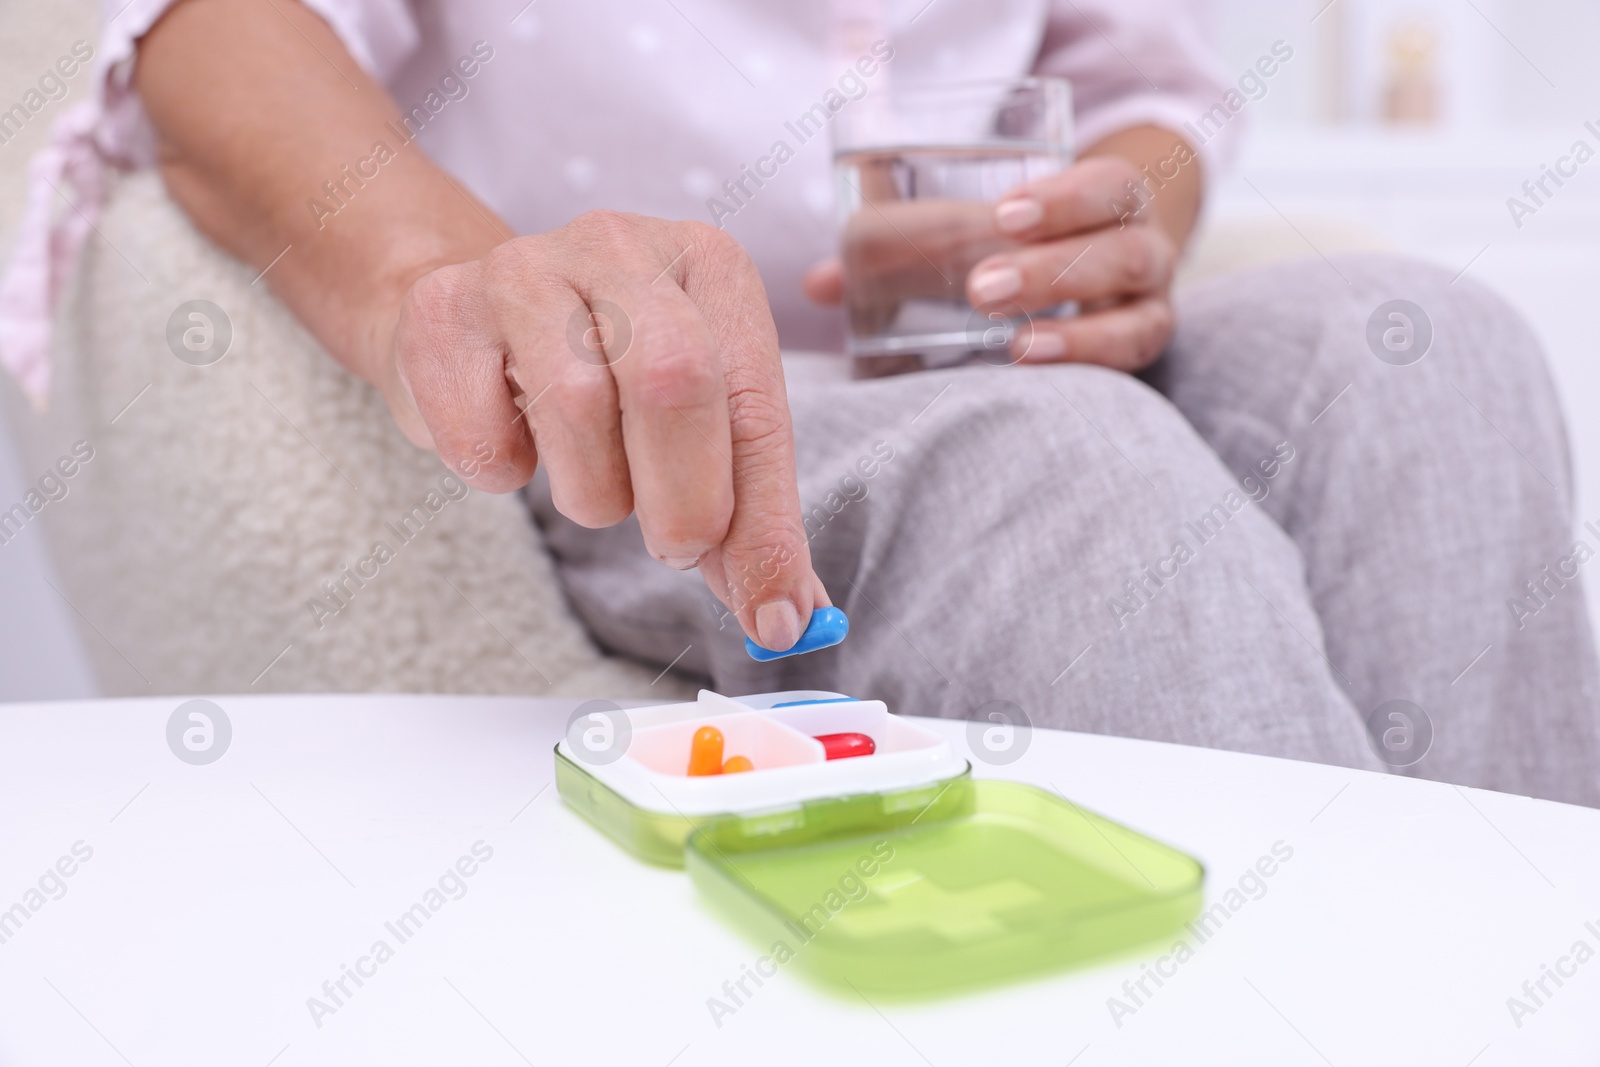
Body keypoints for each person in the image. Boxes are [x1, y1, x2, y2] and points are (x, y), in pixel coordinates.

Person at [3, 0, 1596, 804]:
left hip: (978, 346)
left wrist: (1118, 221)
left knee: (1427, 342)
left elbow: (1142, 87)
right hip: (638, 412)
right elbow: (207, 35)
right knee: (1065, 470)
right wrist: (478, 285)